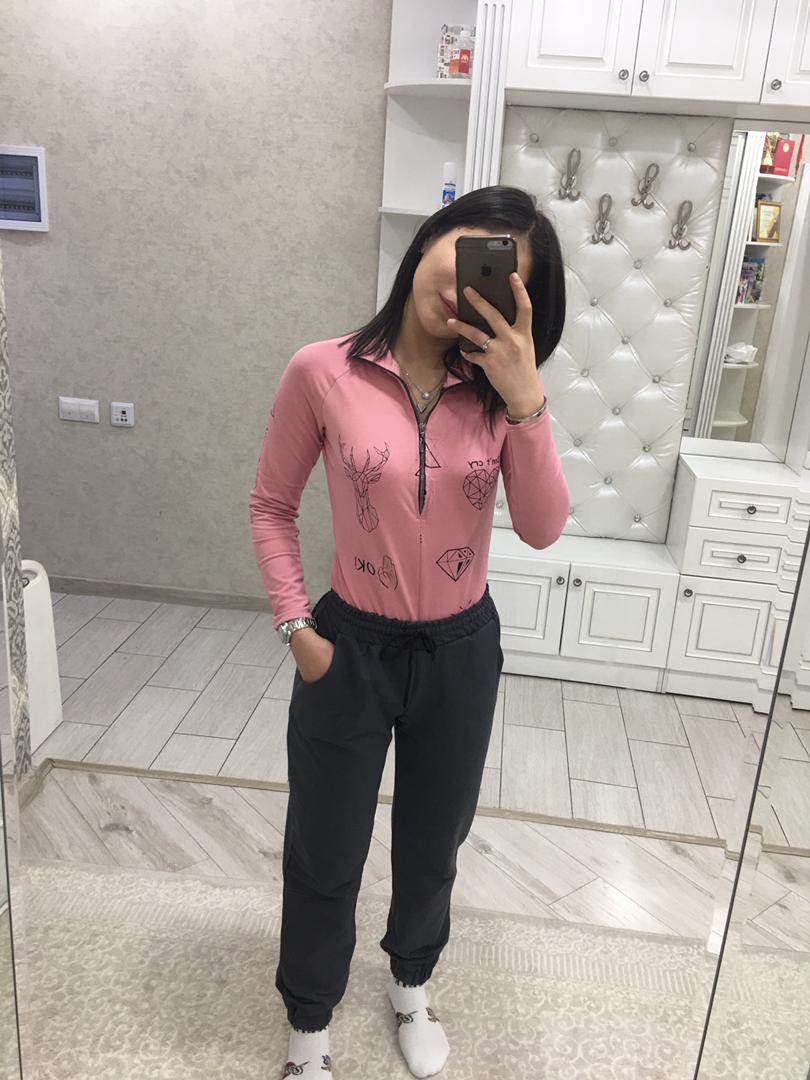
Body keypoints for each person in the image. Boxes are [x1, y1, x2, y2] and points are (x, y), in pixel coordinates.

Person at [249, 184, 570, 1079]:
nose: (464, 286)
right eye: (468, 251)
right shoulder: (323, 370)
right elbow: (271, 505)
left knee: (435, 844)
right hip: (349, 648)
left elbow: (543, 527)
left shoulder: (499, 394)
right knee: (325, 847)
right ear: (432, 238)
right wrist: (296, 625)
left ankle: (411, 985)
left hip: (461, 651)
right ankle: (308, 1026)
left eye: (496, 278)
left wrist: (528, 399)